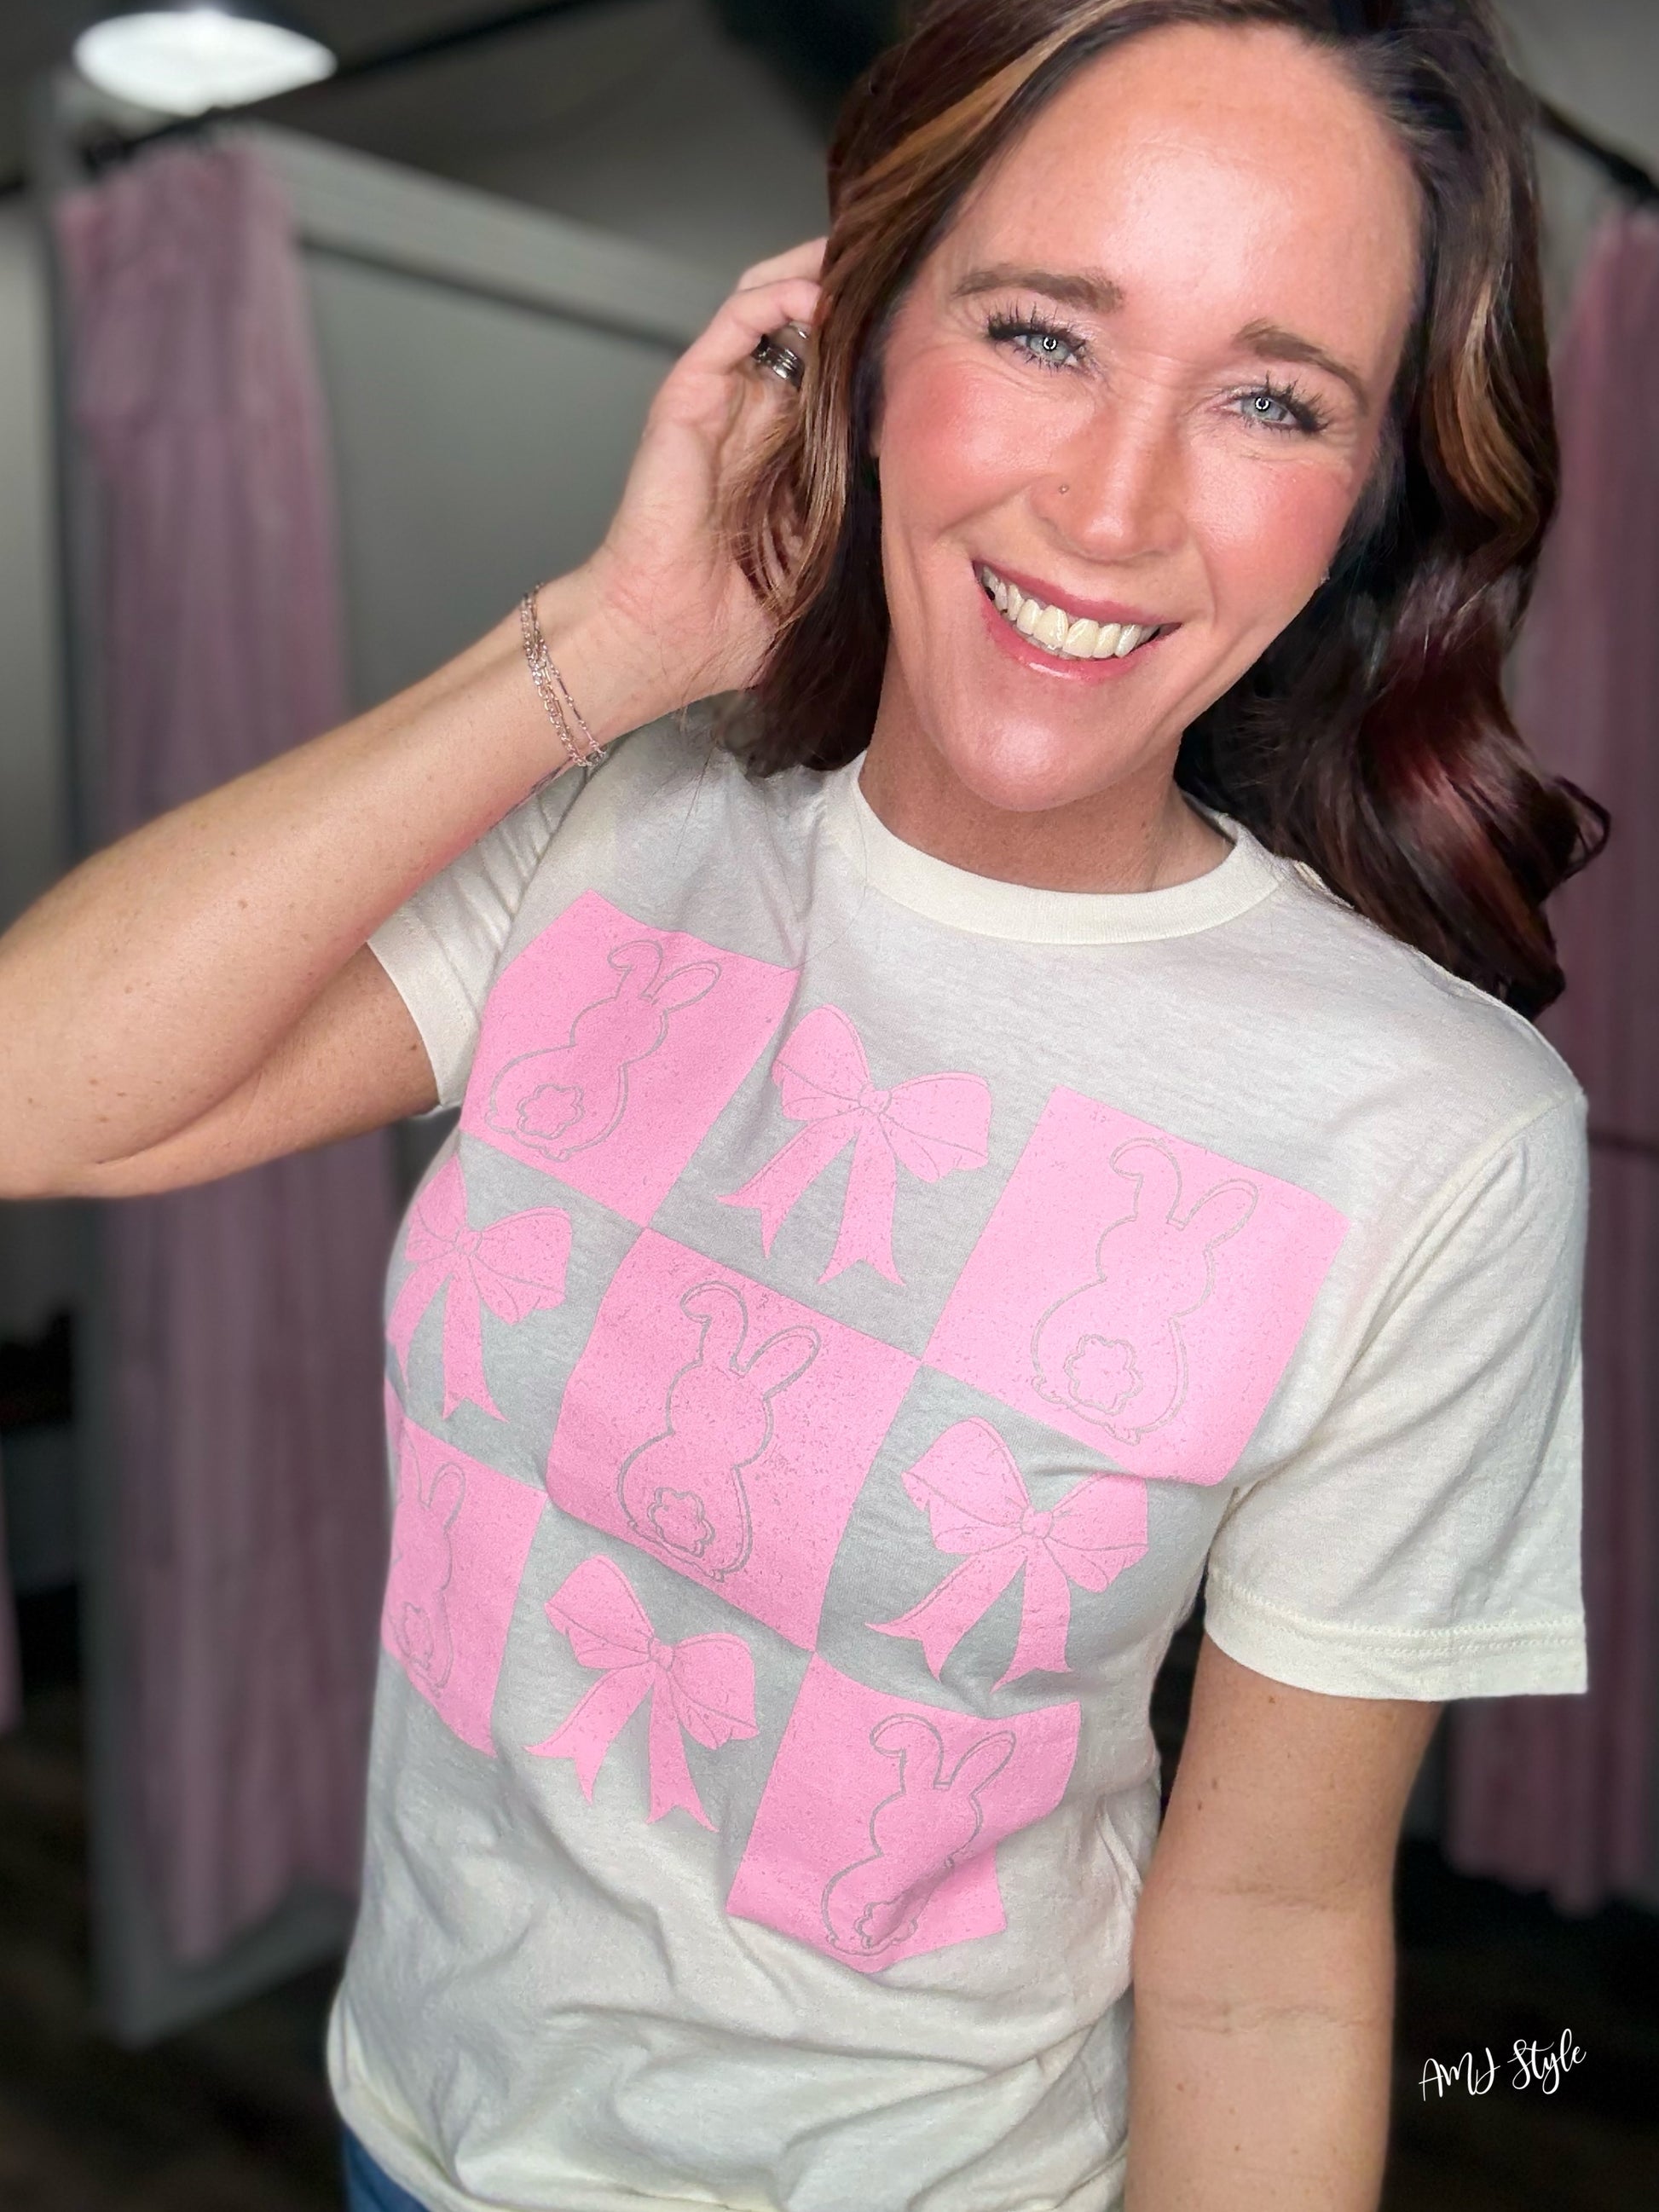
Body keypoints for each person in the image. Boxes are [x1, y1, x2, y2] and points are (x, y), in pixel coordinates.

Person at [0, 1, 1603, 2207]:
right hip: (412, 2129)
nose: (1112, 503)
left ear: (1359, 504)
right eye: (1042, 333)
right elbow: (37, 1095)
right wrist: (609, 639)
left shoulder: (1430, 1131)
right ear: (855, 347)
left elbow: (1262, 1946)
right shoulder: (628, 826)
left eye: (1268, 398)